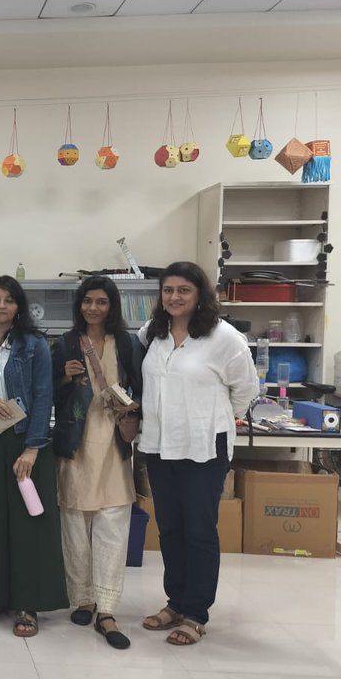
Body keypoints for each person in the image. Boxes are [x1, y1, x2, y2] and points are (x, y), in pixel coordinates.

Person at [138, 261, 259, 646]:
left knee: (199, 528)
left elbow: (246, 390)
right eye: (168, 290)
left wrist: (218, 417)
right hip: (159, 445)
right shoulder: (152, 333)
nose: (174, 297)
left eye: (183, 290)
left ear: (199, 294)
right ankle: (175, 601)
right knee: (170, 527)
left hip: (204, 447)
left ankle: (195, 613)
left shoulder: (225, 338)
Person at [0, 275, 67, 637]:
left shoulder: (34, 345)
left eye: (9, 300)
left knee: (30, 524)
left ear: (18, 307)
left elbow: (44, 397)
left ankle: (29, 603)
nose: (1, 306)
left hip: (28, 441)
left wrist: (32, 449)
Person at [51, 275, 143, 650]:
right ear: (79, 305)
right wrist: (64, 377)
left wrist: (133, 409)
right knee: (75, 522)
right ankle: (83, 599)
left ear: (112, 306)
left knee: (112, 522)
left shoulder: (127, 342)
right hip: (77, 442)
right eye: (87, 301)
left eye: (101, 302)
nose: (93, 308)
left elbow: (140, 386)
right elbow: (50, 392)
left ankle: (106, 608)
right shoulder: (66, 343)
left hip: (113, 444)